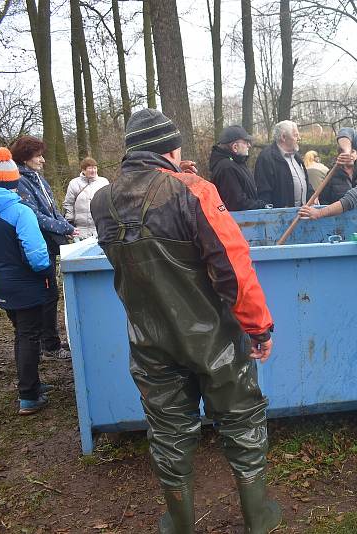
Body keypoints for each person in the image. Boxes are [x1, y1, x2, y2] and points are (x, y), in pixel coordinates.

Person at [90, 109, 280, 533]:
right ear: (170, 149)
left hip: (150, 340)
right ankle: (258, 517)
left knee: (169, 431)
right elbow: (233, 266)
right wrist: (259, 326)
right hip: (215, 340)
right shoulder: (193, 191)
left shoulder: (103, 199)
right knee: (241, 420)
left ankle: (180, 523)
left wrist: (182, 178)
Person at [0, 148, 56, 414]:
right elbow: (37, 253)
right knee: (29, 336)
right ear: (14, 181)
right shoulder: (20, 212)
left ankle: (32, 385)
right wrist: (44, 273)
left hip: (0, 280)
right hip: (26, 282)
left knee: (21, 332)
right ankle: (29, 395)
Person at [11, 135, 75, 361]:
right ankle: (48, 345)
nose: (43, 160)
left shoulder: (38, 179)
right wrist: (62, 227)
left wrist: (66, 227)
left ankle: (48, 341)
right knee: (46, 295)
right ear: (26, 157)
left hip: (50, 244)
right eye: (38, 156)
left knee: (50, 295)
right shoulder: (19, 181)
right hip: (36, 247)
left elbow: (52, 209)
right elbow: (34, 216)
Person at [254, 120, 311, 208]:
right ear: (283, 137)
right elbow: (264, 191)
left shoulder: (297, 157)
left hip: (302, 212)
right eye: (295, 135)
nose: (299, 138)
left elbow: (305, 180)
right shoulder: (266, 158)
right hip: (280, 216)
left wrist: (312, 194)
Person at [209, 125, 267, 211]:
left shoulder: (237, 163)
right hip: (239, 222)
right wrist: (262, 205)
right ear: (235, 147)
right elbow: (237, 203)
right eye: (246, 142)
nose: (249, 145)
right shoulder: (226, 168)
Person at [63, 157, 109, 238]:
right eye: (90, 168)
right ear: (83, 170)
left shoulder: (104, 182)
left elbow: (109, 203)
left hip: (100, 229)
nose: (93, 170)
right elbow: (69, 204)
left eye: (95, 168)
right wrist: (70, 222)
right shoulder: (74, 183)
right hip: (80, 230)